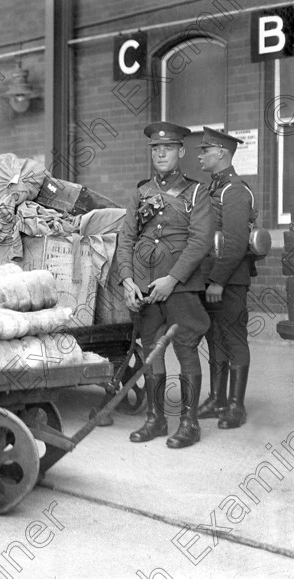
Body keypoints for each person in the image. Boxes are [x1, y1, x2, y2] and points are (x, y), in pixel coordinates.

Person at [116, 121, 214, 449]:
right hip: (144, 287)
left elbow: (200, 242)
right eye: (156, 149)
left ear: (181, 152)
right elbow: (126, 238)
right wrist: (128, 279)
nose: (160, 153)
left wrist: (172, 280)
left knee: (186, 349)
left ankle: (189, 423)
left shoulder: (197, 192)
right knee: (151, 352)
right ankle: (155, 420)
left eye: (168, 148)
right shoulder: (140, 192)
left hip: (181, 287)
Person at [196, 127, 254, 429]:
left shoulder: (235, 191)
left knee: (233, 337)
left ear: (222, 153)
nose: (200, 155)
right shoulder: (211, 190)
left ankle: (235, 406)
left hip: (229, 280)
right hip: (210, 280)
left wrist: (218, 280)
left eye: (205, 150)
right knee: (214, 337)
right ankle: (217, 398)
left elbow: (234, 242)